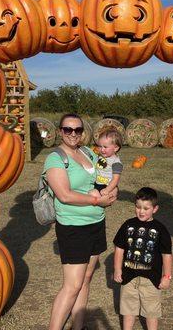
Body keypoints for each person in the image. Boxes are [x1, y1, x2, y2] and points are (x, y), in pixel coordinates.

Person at [45, 113, 117, 330]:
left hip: (96, 223)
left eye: (77, 130)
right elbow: (65, 195)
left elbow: (103, 177)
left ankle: (78, 326)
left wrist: (111, 191)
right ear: (60, 132)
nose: (73, 134)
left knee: (86, 279)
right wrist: (97, 201)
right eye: (68, 130)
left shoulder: (87, 152)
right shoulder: (55, 159)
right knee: (72, 285)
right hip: (73, 227)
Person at [113, 187, 172, 330]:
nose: (141, 211)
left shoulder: (160, 229)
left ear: (155, 209)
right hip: (128, 278)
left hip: (151, 279)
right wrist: (117, 269)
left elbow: (167, 255)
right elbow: (119, 248)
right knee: (128, 310)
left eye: (146, 208)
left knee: (151, 312)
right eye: (138, 207)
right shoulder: (128, 225)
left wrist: (167, 276)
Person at [94, 129, 123, 196]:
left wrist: (107, 190)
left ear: (116, 148)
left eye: (105, 147)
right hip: (97, 183)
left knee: (94, 196)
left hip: (107, 186)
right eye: (100, 146)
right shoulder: (99, 156)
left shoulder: (116, 163)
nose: (102, 149)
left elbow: (115, 179)